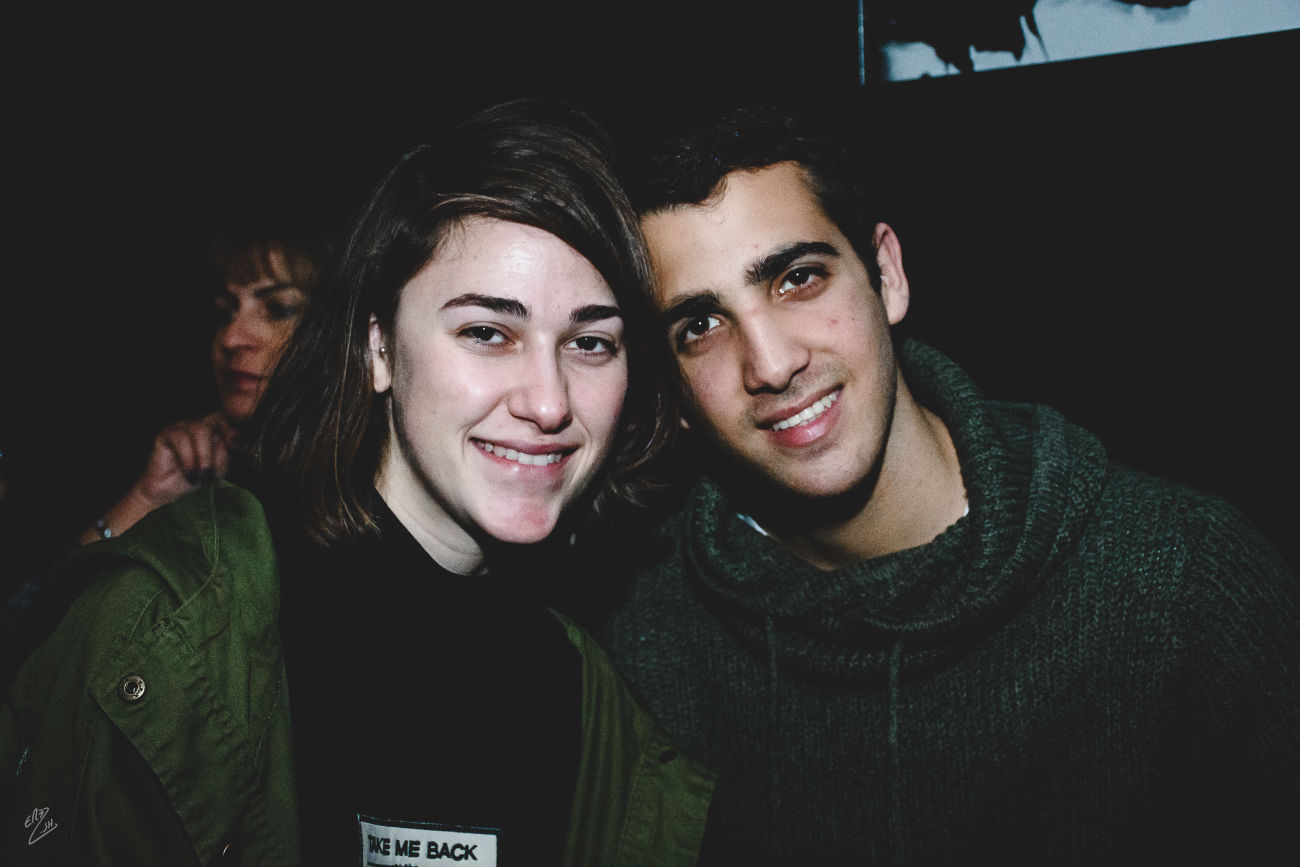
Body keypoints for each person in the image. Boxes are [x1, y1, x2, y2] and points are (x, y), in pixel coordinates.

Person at [2, 99, 713, 866]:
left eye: (591, 342)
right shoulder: (167, 628)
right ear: (378, 348)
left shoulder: (590, 696)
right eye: (486, 331)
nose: (548, 402)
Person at [597, 105, 1300, 865]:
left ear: (887, 276)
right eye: (700, 326)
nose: (770, 363)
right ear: (668, 389)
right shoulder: (635, 634)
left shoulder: (1184, 580)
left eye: (798, 279)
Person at [77, 210, 327, 545]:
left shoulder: (367, 499)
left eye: (279, 309)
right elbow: (63, 582)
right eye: (227, 311)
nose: (231, 339)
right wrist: (148, 498)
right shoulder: (213, 475)